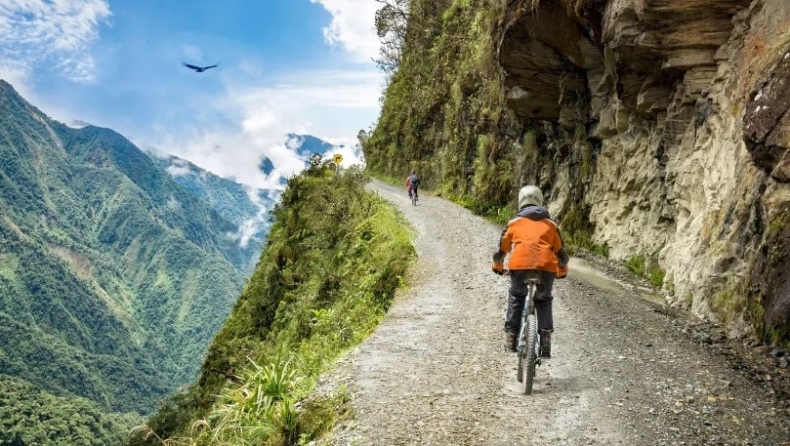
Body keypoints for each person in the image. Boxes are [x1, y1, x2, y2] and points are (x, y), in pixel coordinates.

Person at [491, 185, 569, 358]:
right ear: (540, 202)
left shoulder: (513, 223)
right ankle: (546, 340)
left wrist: (497, 266)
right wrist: (562, 270)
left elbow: (501, 251)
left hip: (519, 267)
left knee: (517, 296)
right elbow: (561, 254)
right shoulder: (551, 225)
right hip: (546, 268)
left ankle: (511, 338)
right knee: (544, 299)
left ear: (521, 202)